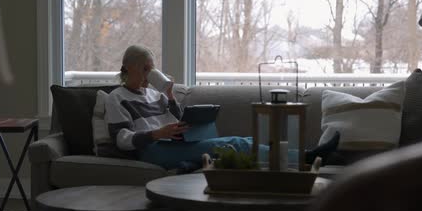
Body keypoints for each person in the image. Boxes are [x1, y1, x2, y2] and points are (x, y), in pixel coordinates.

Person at [105, 45, 308, 171]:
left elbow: (177, 121)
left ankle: (303, 155)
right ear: (129, 67)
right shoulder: (117, 98)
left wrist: (170, 98)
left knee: (245, 141)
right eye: (145, 69)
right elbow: (121, 139)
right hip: (151, 151)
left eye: (152, 69)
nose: (149, 74)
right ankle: (306, 158)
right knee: (235, 144)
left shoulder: (155, 95)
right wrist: (156, 134)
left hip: (171, 144)